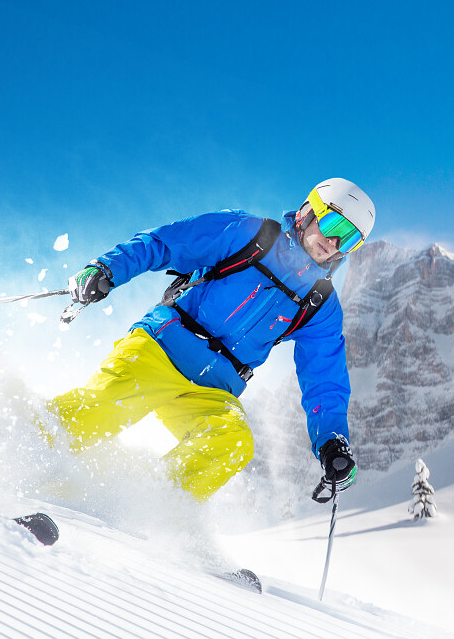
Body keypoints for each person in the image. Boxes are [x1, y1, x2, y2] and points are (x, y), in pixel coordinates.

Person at [45, 178, 375, 503]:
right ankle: (22, 442)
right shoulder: (251, 234)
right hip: (162, 348)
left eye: (348, 240)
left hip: (214, 388)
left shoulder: (320, 304)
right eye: (333, 224)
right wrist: (106, 269)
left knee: (233, 442)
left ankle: (143, 506)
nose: (333, 242)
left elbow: (324, 379)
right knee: (98, 409)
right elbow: (167, 242)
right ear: (308, 212)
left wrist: (332, 442)